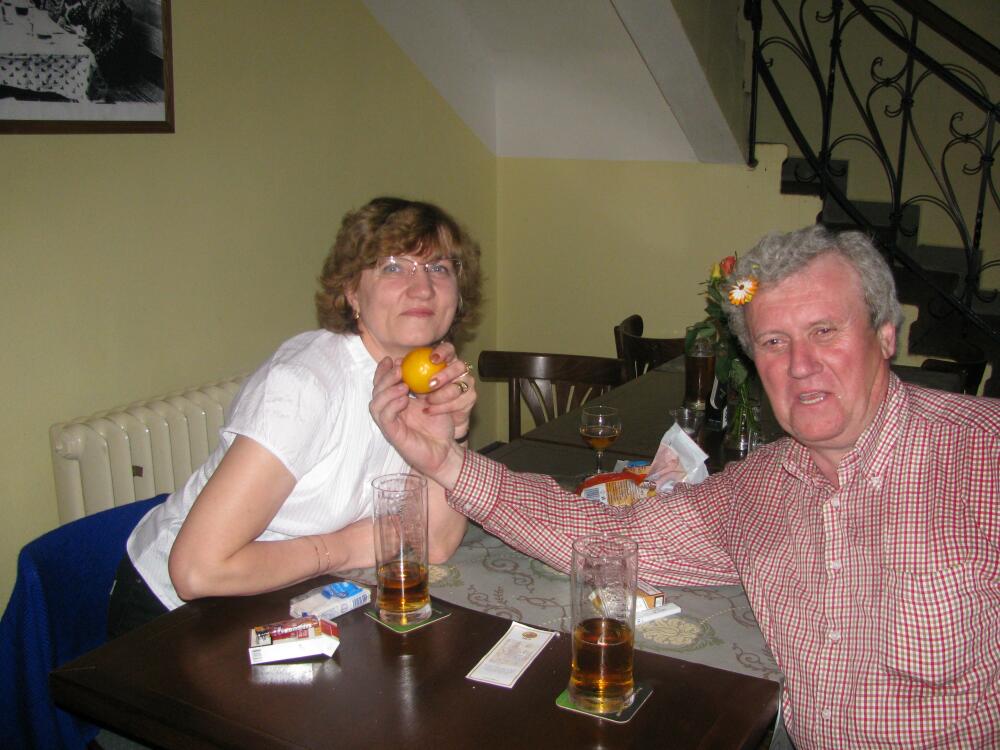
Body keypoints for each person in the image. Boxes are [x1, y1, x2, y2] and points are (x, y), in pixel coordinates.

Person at [370, 224, 999, 749]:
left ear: (885, 336)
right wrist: (446, 462)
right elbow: (605, 536)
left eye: (825, 331)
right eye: (773, 341)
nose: (800, 364)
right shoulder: (760, 489)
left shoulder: (983, 457)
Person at [108, 196, 482, 636]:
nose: (422, 288)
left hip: (281, 599)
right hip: (175, 616)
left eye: (439, 268)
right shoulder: (304, 385)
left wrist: (451, 437)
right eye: (394, 267)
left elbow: (435, 543)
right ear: (351, 291)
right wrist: (342, 548)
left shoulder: (424, 377)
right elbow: (196, 570)